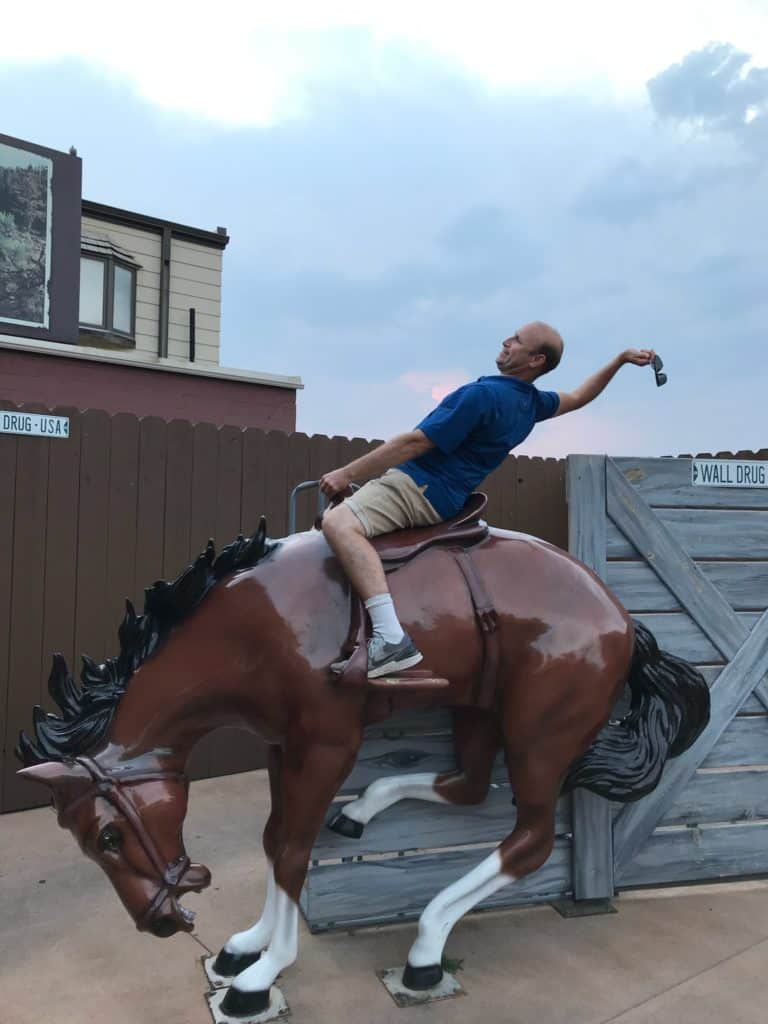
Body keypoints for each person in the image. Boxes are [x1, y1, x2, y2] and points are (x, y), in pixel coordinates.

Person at [320, 321, 655, 679]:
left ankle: (389, 639)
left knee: (338, 524)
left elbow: (415, 443)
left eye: (517, 341)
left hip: (417, 487)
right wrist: (618, 361)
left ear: (536, 359)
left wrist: (346, 474)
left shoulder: (482, 396)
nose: (506, 341)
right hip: (448, 496)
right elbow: (579, 397)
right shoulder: (529, 403)